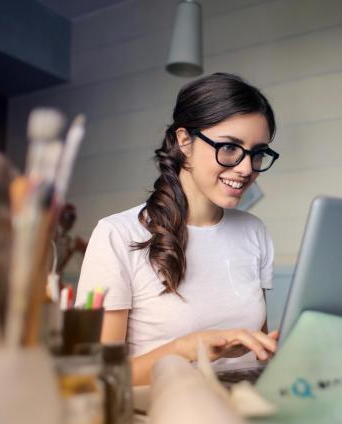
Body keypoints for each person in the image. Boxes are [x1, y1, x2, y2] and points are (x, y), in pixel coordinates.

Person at [76, 73, 280, 385]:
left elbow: (258, 347)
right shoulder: (117, 235)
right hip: (167, 411)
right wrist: (186, 349)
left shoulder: (254, 232)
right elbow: (98, 376)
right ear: (185, 141)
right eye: (229, 148)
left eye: (258, 152)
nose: (246, 168)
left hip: (245, 405)